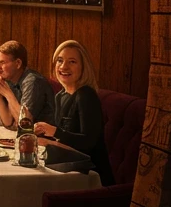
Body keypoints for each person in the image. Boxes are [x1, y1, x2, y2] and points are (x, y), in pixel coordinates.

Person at [35, 39, 115, 185]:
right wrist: (42, 134)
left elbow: (88, 143)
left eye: (72, 62)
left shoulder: (86, 95)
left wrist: (53, 133)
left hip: (91, 176)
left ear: (83, 67)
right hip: (69, 168)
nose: (64, 66)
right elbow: (64, 139)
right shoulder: (60, 96)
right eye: (60, 60)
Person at [0, 40, 56, 127]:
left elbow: (25, 123)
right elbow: (8, 121)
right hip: (26, 137)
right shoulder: (10, 79)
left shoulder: (32, 81)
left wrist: (7, 93)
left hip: (44, 138)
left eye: (2, 62)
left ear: (18, 63)